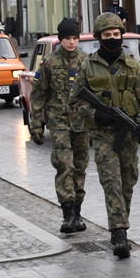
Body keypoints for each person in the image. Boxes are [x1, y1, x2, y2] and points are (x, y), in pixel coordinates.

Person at [75, 12, 140, 259]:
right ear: (99, 37)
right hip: (102, 136)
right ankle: (119, 233)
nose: (112, 39)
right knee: (112, 183)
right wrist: (96, 116)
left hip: (128, 134)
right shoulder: (87, 67)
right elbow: (75, 104)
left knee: (128, 182)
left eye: (116, 34)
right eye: (107, 35)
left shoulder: (132, 65)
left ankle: (120, 225)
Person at [29, 17, 89, 235]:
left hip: (81, 123)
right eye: (67, 38)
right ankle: (67, 214)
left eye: (74, 38)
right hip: (59, 122)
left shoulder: (86, 61)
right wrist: (36, 124)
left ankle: (78, 212)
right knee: (65, 165)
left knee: (80, 167)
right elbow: (38, 95)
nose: (71, 42)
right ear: (60, 39)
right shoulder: (50, 63)